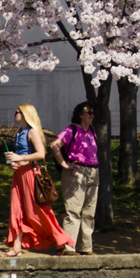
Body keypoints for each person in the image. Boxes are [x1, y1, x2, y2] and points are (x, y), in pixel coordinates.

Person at [4, 104, 66, 254]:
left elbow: (41, 154)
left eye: (18, 112)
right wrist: (14, 162)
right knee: (16, 210)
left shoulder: (32, 132)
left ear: (26, 114)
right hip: (18, 174)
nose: (15, 114)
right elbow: (20, 155)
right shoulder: (19, 132)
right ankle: (16, 247)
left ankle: (60, 241)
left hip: (30, 175)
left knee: (36, 212)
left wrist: (22, 157)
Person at [52, 101, 101, 253]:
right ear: (80, 115)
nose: (92, 115)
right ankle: (69, 247)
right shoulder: (71, 130)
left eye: (93, 112)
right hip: (76, 173)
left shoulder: (92, 130)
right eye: (88, 112)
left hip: (93, 172)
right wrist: (64, 164)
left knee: (89, 212)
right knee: (73, 211)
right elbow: (54, 145)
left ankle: (86, 248)